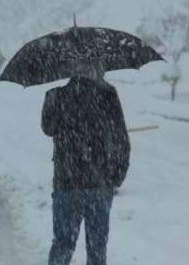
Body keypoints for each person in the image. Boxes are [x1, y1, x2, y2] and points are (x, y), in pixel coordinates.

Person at [41, 62, 131, 265]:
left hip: (67, 182)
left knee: (63, 243)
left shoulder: (56, 95)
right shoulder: (107, 95)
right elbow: (121, 138)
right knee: (97, 246)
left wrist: (57, 104)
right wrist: (117, 175)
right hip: (100, 183)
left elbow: (48, 128)